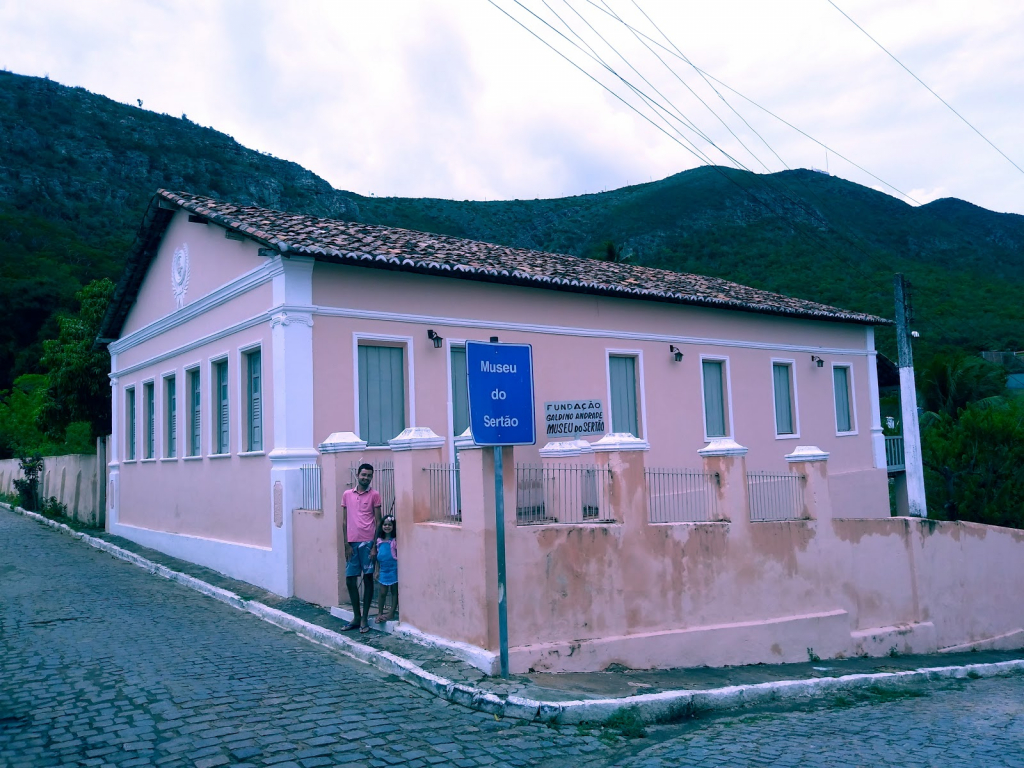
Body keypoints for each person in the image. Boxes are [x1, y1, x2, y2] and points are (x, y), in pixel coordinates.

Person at [340, 463, 382, 633]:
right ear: (357, 475)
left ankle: (364, 618)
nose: (366, 478)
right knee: (350, 579)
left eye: (369, 475)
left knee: (368, 579)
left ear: (372, 477)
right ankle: (356, 617)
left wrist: (374, 547)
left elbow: (378, 521)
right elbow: (344, 521)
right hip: (352, 543)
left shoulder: (375, 495)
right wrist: (345, 544)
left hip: (368, 543)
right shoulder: (347, 495)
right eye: (363, 474)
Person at [374, 515, 398, 623]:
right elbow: (378, 558)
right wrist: (377, 570)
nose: (387, 526)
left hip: (394, 569)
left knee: (394, 591)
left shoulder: (395, 541)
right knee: (382, 592)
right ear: (382, 526)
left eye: (389, 525)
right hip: (383, 570)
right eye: (385, 524)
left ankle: (392, 612)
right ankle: (380, 613)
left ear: (393, 526)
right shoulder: (379, 541)